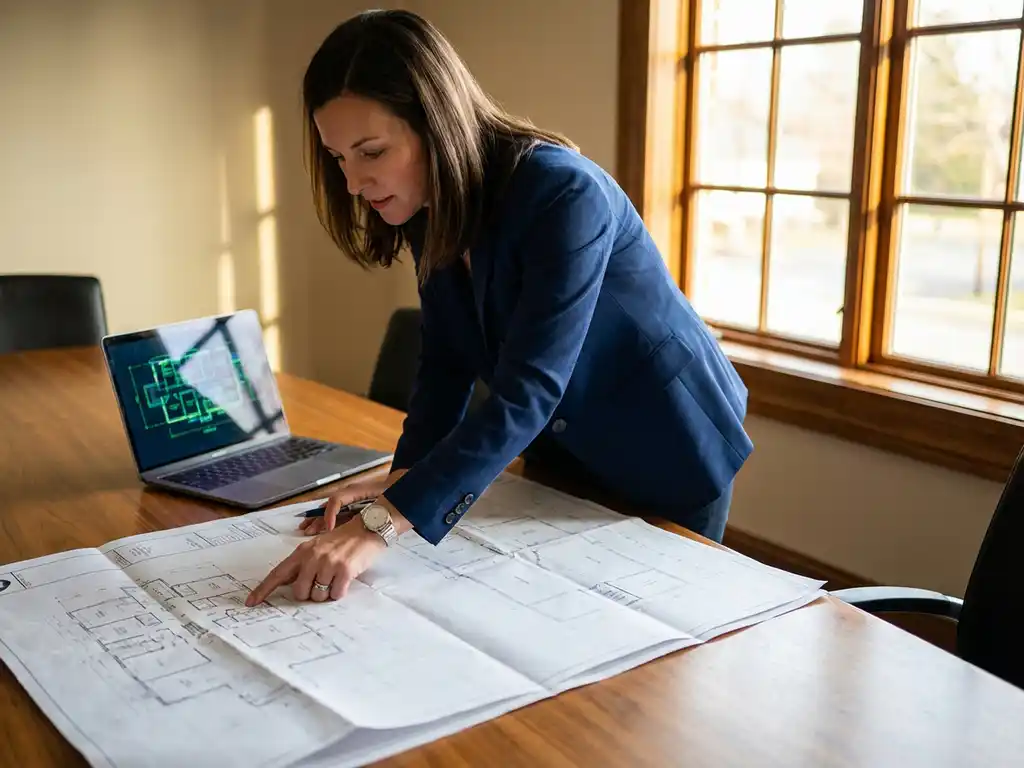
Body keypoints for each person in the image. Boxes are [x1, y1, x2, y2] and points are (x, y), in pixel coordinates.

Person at [244, 9, 752, 608]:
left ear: (435, 125)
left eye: (372, 151)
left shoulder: (564, 193)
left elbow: (528, 389)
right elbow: (443, 369)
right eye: (338, 158)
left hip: (665, 445)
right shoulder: (426, 208)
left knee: (651, 653)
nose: (354, 182)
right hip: (563, 456)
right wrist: (399, 485)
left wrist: (382, 526)